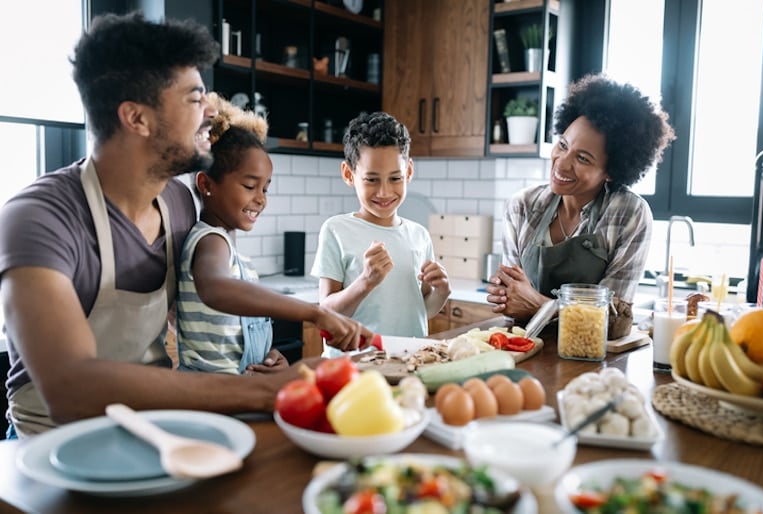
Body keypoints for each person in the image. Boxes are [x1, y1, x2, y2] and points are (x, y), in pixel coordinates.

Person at [0, 12, 370, 439]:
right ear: (136, 118)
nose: (212, 111)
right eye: (195, 98)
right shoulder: (37, 219)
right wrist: (264, 391)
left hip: (152, 432)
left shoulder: (176, 203)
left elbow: (198, 307)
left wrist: (257, 355)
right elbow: (72, 390)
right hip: (47, 447)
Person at [176, 92, 368, 375]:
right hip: (209, 395)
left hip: (235, 389)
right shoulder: (210, 240)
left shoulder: (229, 247)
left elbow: (230, 335)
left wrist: (266, 355)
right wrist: (315, 313)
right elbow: (215, 288)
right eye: (250, 186)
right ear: (206, 184)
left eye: (265, 188)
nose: (261, 199)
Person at [486, 74, 675, 339]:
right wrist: (507, 296)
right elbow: (514, 302)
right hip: (524, 347)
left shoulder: (629, 214)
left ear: (610, 171)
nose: (561, 164)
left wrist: (539, 306)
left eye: (582, 158)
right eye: (563, 145)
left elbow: (611, 321)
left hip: (591, 361)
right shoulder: (523, 206)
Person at [311, 111, 451, 357]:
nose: (385, 192)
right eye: (372, 180)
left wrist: (441, 292)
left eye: (395, 178)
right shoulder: (336, 230)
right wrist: (366, 281)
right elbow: (326, 312)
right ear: (348, 174)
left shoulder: (419, 235)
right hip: (354, 367)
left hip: (409, 361)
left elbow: (422, 309)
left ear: (408, 172)